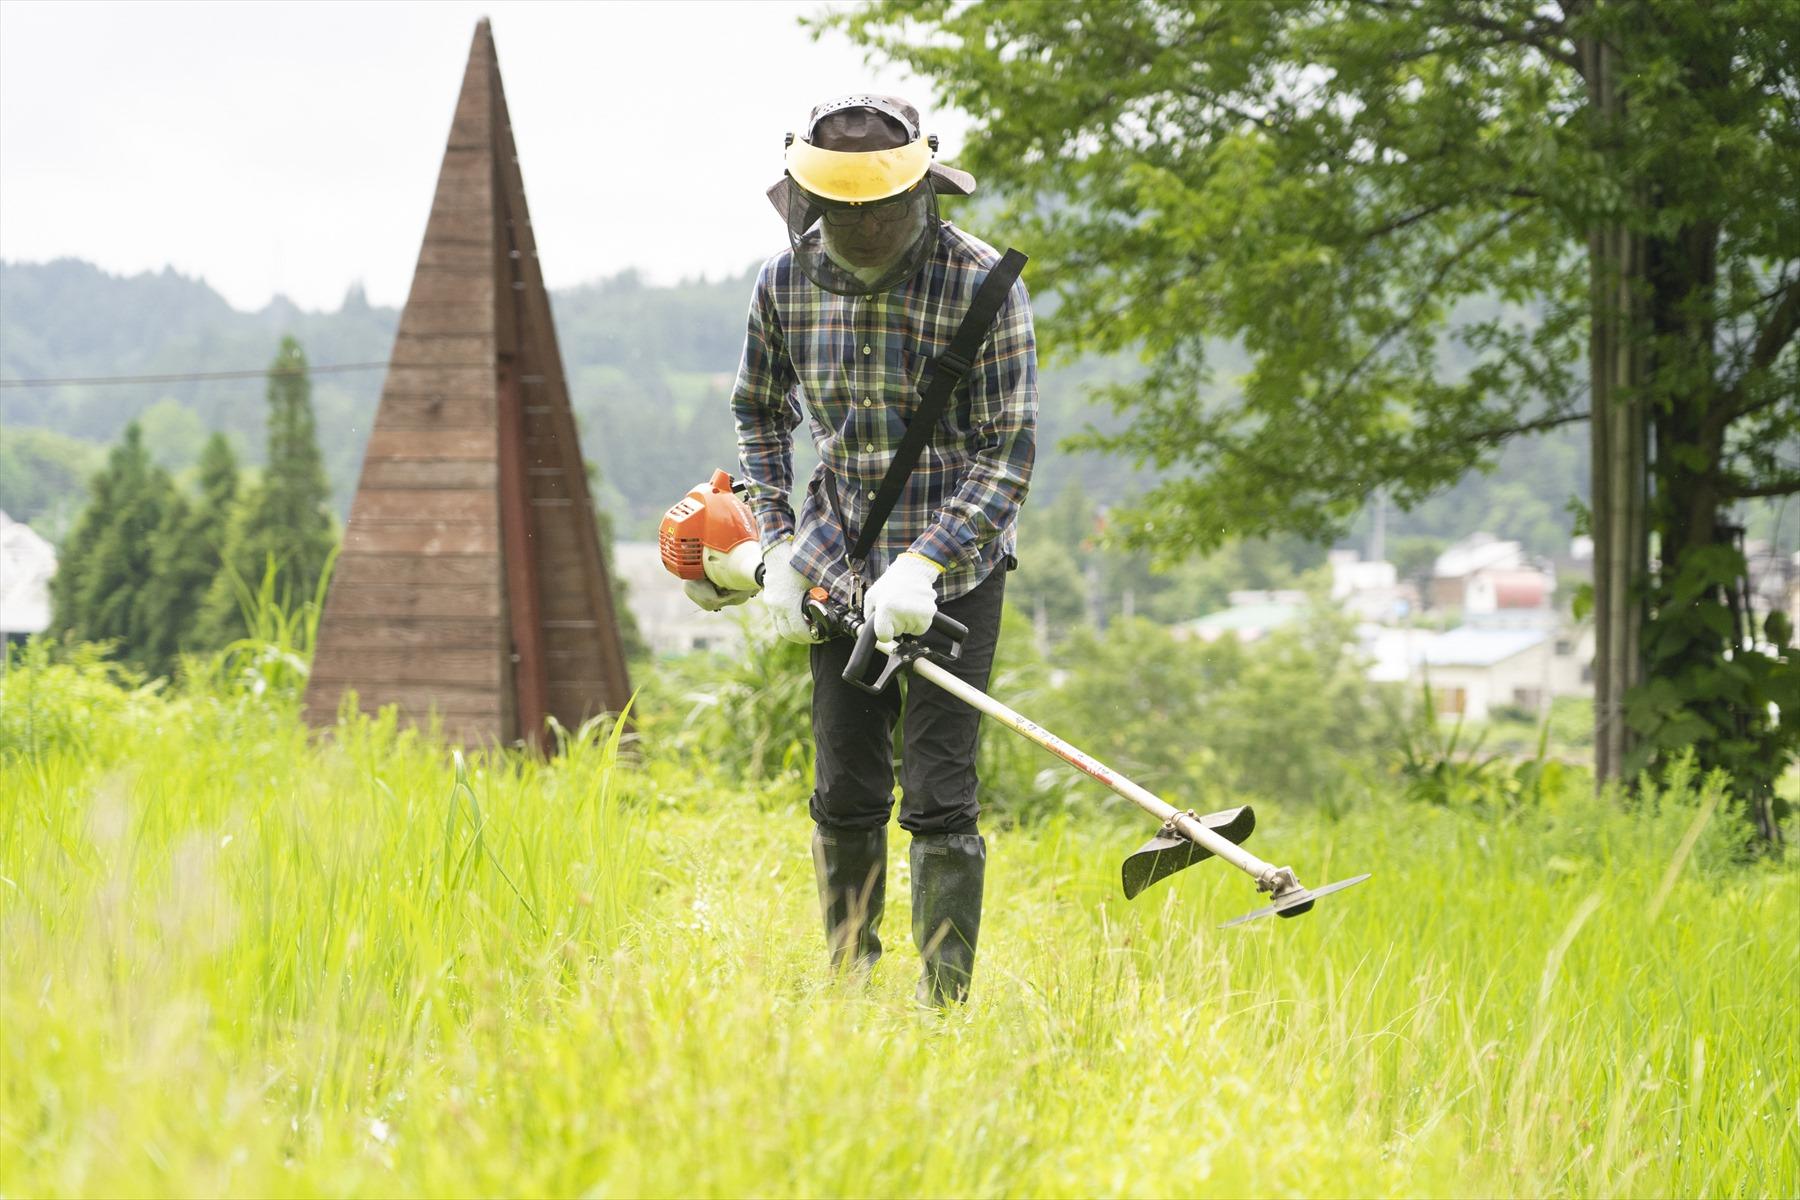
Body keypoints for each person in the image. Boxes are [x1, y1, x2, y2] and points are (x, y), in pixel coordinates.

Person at [684, 94, 1037, 1005]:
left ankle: (943, 1006)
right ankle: (850, 987)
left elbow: (1006, 454)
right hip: (835, 561)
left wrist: (926, 562)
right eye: (841, 212)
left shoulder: (983, 285)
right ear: (809, 199)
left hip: (954, 571)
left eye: (877, 209)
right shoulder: (783, 284)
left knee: (941, 791)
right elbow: (759, 413)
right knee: (845, 787)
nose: (861, 227)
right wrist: (777, 542)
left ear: (918, 190)